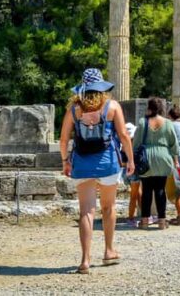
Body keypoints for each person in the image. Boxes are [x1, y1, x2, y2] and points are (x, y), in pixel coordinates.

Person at [60, 68, 134, 275]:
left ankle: (85, 260)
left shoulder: (74, 109)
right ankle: (109, 251)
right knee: (108, 208)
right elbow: (124, 136)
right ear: (101, 87)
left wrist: (66, 161)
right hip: (108, 163)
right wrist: (130, 159)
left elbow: (64, 139)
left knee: (86, 212)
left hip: (82, 164)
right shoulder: (112, 107)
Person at [133, 97, 179, 230]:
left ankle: (145, 220)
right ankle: (162, 221)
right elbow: (174, 144)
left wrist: (133, 158)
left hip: (146, 158)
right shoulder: (168, 123)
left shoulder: (143, 122)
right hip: (163, 157)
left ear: (150, 108)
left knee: (146, 189)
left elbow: (136, 143)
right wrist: (175, 160)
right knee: (160, 189)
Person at [123, 122, 143, 227]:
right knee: (134, 195)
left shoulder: (124, 145)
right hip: (134, 171)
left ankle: (143, 216)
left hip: (127, 171)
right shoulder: (133, 144)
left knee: (138, 194)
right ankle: (131, 217)